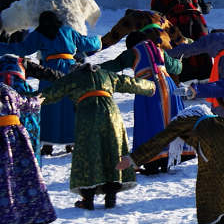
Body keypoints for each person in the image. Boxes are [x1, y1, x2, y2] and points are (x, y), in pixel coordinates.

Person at [117, 104, 224, 224]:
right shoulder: (209, 116)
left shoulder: (180, 122)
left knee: (210, 179)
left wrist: (132, 159)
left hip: (212, 135)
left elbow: (160, 140)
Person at [41, 63, 156, 209]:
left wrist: (25, 100)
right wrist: (150, 86)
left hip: (87, 115)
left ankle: (87, 199)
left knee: (87, 153)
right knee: (113, 151)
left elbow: (51, 93)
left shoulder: (73, 78)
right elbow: (129, 82)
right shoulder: (106, 74)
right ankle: (111, 197)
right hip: (111, 114)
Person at [0, 11, 101, 155]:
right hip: (69, 70)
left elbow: (22, 48)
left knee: (48, 105)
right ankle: (71, 143)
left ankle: (48, 145)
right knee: (70, 106)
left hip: (49, 71)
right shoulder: (68, 30)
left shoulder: (39, 33)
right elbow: (86, 44)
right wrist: (99, 40)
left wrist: (2, 46)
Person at [99, 31, 188, 175]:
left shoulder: (133, 52)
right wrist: (179, 62)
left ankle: (151, 161)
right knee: (169, 121)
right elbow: (176, 68)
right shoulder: (159, 50)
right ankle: (168, 159)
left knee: (149, 122)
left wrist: (95, 68)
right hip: (169, 86)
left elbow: (115, 64)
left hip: (148, 88)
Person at [0, 81, 56, 224]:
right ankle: (16, 216)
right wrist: (37, 101)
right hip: (15, 138)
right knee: (17, 179)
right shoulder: (6, 89)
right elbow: (25, 104)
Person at [0, 54, 61, 159]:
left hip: (3, 105)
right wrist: (62, 77)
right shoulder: (22, 62)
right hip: (22, 98)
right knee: (29, 132)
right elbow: (45, 73)